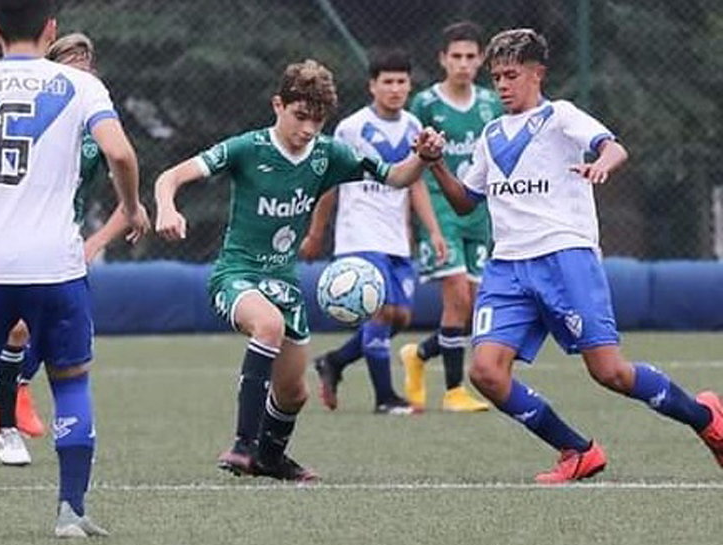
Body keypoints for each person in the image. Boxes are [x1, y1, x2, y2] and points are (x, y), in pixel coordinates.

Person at [423, 28, 723, 483]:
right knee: (485, 373)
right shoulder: (489, 134)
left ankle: (706, 420)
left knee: (610, 373)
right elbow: (466, 199)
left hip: (565, 259)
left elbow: (613, 146)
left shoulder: (559, 116)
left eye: (511, 75)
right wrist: (436, 163)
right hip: (506, 268)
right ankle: (576, 450)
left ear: (537, 74)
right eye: (497, 76)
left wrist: (603, 162)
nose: (502, 85)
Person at [0, 0, 149, 537]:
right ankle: (71, 512)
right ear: (51, 30)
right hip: (55, 263)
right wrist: (132, 204)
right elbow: (120, 154)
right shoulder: (81, 87)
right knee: (70, 382)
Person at [155, 59, 444, 481]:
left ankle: (270, 459)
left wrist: (422, 157)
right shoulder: (246, 148)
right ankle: (243, 445)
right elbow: (169, 177)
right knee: (267, 326)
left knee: (294, 393)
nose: (308, 129)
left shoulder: (330, 154)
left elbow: (398, 178)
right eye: (300, 116)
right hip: (237, 276)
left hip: (284, 284)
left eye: (318, 119)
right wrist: (167, 208)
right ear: (278, 105)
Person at [0, 32, 129, 467]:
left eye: (86, 65)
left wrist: (96, 242)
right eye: (69, 65)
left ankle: (2, 400)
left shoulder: (98, 122)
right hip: (15, 240)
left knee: (45, 336)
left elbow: (127, 197)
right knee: (17, 333)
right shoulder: (34, 116)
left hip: (62, 246)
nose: (80, 74)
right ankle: (0, 418)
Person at [302, 49, 447, 414]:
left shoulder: (415, 127)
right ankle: (385, 399)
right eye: (388, 82)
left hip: (395, 237)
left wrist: (433, 231)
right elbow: (330, 183)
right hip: (359, 235)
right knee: (380, 313)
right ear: (372, 86)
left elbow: (415, 184)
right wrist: (317, 233)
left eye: (401, 82)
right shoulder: (351, 128)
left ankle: (334, 361)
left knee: (400, 317)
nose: (395, 89)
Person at [400, 22, 501, 413]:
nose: (463, 64)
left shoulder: (492, 103)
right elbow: (415, 167)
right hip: (441, 210)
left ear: (480, 60)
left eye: (470, 57)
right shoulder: (425, 104)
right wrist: (428, 226)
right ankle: (454, 391)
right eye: (455, 56)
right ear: (443, 59)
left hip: (479, 212)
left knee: (473, 307)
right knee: (456, 296)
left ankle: (420, 355)